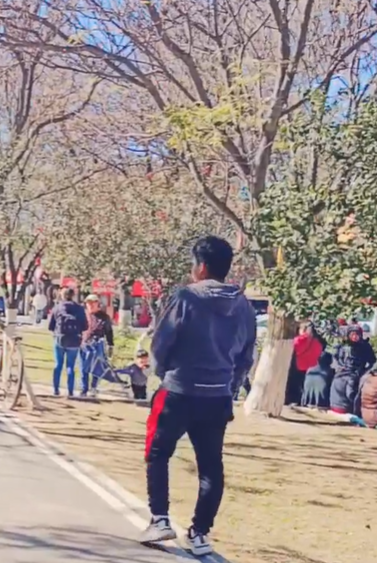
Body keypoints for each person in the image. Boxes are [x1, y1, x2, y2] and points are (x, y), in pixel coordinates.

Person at [141, 236, 256, 556]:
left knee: (158, 452)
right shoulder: (244, 305)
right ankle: (200, 532)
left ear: (201, 266)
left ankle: (160, 518)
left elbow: (161, 344)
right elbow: (247, 355)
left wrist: (161, 373)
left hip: (178, 391)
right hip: (217, 396)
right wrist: (230, 387)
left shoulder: (186, 297)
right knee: (210, 465)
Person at [47, 288, 88, 397]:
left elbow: (50, 326)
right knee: (70, 366)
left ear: (62, 295)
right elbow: (85, 326)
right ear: (73, 295)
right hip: (74, 341)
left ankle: (56, 389)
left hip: (60, 339)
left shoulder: (57, 308)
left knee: (58, 365)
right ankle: (70, 391)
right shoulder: (79, 309)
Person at [330, 325, 376, 415]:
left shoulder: (365, 346)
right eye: (352, 334)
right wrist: (339, 366)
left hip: (357, 373)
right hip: (343, 372)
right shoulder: (342, 345)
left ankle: (353, 409)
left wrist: (365, 371)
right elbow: (335, 357)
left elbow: (372, 362)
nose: (354, 337)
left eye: (357, 335)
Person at [80, 294, 115, 398]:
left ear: (97, 303)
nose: (90, 305)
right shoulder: (83, 315)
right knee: (83, 367)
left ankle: (93, 387)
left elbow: (109, 332)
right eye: (88, 303)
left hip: (97, 343)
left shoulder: (104, 317)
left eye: (92, 303)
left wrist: (110, 345)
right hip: (84, 343)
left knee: (96, 367)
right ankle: (84, 388)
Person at [287, 322, 324, 405]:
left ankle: (291, 400)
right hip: (310, 368)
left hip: (296, 366)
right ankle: (300, 401)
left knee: (293, 385)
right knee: (302, 386)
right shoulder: (317, 342)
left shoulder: (297, 340)